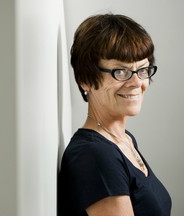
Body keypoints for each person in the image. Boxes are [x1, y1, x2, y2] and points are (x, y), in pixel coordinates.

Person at [57, 13, 172, 216]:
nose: (137, 82)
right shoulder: (94, 155)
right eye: (120, 71)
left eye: (142, 69)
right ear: (85, 79)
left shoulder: (125, 140)